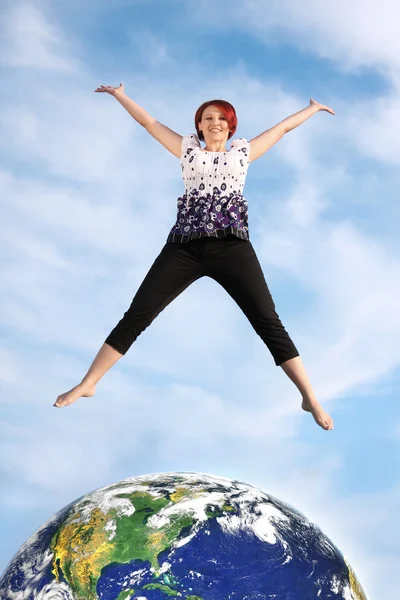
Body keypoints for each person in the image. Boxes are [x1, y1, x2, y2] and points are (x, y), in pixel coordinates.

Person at [54, 83, 335, 431]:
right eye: (207, 118)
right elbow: (150, 124)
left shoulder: (242, 153)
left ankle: (309, 396)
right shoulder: (187, 150)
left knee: (267, 320)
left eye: (220, 117)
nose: (214, 122)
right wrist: (121, 95)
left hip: (232, 247)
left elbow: (281, 129)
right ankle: (89, 383)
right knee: (139, 313)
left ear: (231, 125)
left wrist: (312, 109)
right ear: (199, 126)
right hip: (184, 246)